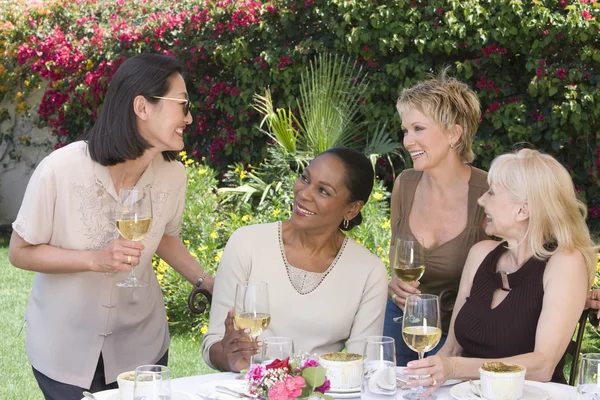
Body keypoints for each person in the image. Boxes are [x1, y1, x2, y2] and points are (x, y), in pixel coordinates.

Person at [8, 53, 214, 400]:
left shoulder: (173, 174)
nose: (189, 117)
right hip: (64, 350)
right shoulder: (60, 168)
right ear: (142, 107)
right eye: (183, 105)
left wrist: (210, 284)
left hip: (142, 348)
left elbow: (163, 235)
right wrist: (95, 260)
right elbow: (19, 252)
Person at [403, 149, 596, 395]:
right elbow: (450, 349)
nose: (481, 200)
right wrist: (427, 378)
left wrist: (455, 368)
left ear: (522, 210)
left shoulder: (565, 263)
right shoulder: (480, 254)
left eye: (492, 192)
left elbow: (543, 366)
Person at [201, 147, 388, 372]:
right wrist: (230, 356)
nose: (304, 193)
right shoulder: (246, 243)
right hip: (246, 389)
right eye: (305, 178)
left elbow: (360, 363)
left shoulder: (369, 271)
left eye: (323, 191)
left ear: (351, 209)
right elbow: (214, 345)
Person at [385, 72, 489, 366]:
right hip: (402, 324)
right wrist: (394, 283)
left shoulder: (489, 192)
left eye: (418, 128)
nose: (407, 141)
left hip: (462, 338)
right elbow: (397, 252)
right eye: (405, 130)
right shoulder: (404, 184)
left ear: (454, 134)